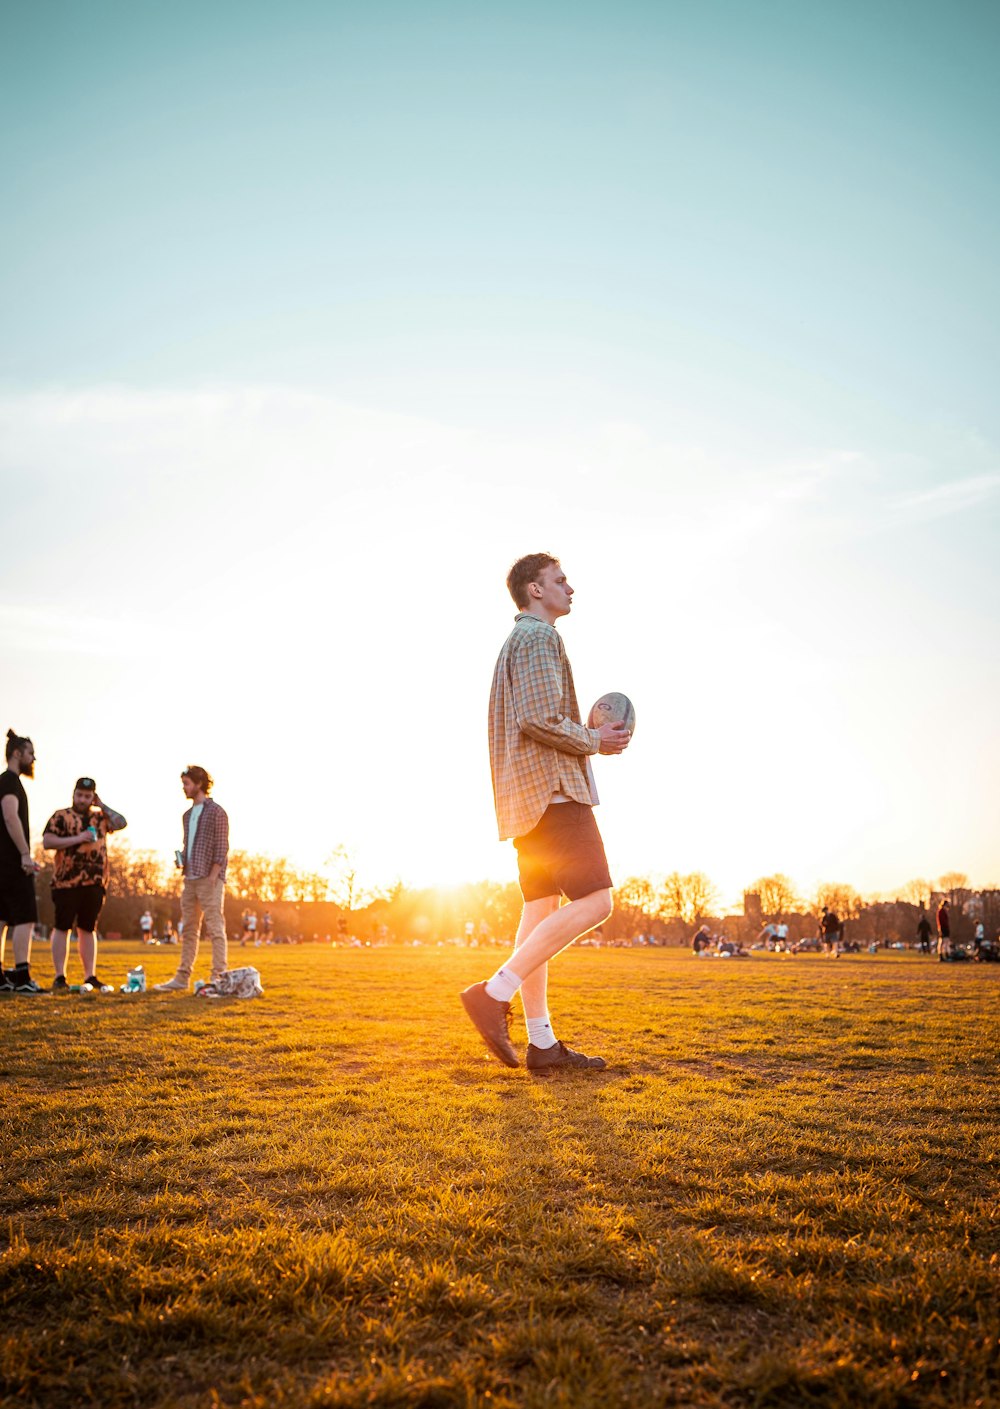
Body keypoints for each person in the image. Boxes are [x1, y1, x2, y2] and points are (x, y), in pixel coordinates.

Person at [460, 553, 630, 1072]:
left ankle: (541, 1043)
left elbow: (533, 716)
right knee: (598, 902)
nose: (570, 588)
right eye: (560, 580)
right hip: (553, 795)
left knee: (539, 915)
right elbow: (538, 718)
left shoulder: (520, 641)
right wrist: (593, 740)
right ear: (535, 590)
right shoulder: (538, 637)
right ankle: (493, 993)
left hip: (527, 802)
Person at [42, 776, 128, 992]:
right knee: (62, 927)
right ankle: (59, 976)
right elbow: (47, 841)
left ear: (93, 797)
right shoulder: (61, 816)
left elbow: (122, 823)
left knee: (87, 928)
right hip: (66, 882)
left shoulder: (101, 818)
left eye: (87, 796)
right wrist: (78, 838)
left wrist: (102, 805)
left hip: (95, 882)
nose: (82, 800)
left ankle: (90, 976)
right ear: (73, 794)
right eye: (79, 795)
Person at [153, 765, 229, 992]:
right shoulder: (186, 815)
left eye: (187, 783)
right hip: (190, 878)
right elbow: (189, 844)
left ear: (199, 784)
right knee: (189, 930)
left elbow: (222, 846)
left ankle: (219, 977)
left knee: (215, 929)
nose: (184, 788)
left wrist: (213, 877)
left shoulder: (217, 811)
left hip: (210, 879)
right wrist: (182, 860)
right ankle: (182, 977)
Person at [0, 730, 44, 994]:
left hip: (3, 862)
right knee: (25, 918)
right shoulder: (10, 782)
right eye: (30, 753)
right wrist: (25, 854)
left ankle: (2, 978)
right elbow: (10, 816)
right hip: (12, 862)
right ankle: (21, 976)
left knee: (2, 918)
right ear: (17, 754)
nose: (33, 758)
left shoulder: (4, 781)